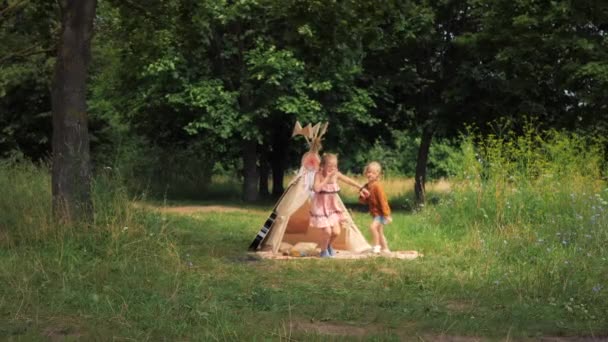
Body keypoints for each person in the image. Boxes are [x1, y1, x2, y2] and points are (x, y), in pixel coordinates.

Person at [310, 153, 369, 258]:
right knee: (327, 231)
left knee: (336, 232)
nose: (333, 168)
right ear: (323, 166)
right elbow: (316, 189)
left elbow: (348, 180)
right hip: (320, 208)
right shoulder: (318, 175)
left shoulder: (336, 174)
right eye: (330, 166)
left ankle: (328, 245)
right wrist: (327, 178)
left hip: (332, 207)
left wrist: (361, 188)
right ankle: (323, 252)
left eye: (335, 166)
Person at [359, 161, 392, 254]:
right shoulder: (367, 186)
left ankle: (376, 248)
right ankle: (385, 249)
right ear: (366, 173)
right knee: (379, 231)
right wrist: (362, 196)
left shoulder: (377, 186)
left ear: (378, 175)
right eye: (369, 172)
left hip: (381, 213)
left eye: (373, 173)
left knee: (373, 228)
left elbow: (383, 201)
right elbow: (363, 201)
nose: (370, 174)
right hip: (375, 214)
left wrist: (387, 215)